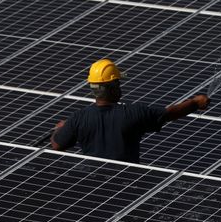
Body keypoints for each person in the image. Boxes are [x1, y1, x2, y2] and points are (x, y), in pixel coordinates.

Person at [51, 58, 211, 163]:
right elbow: (170, 113)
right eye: (118, 83)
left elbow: (57, 145)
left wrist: (59, 129)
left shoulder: (78, 118)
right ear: (113, 87)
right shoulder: (132, 113)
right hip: (127, 181)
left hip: (93, 186)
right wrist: (195, 103)